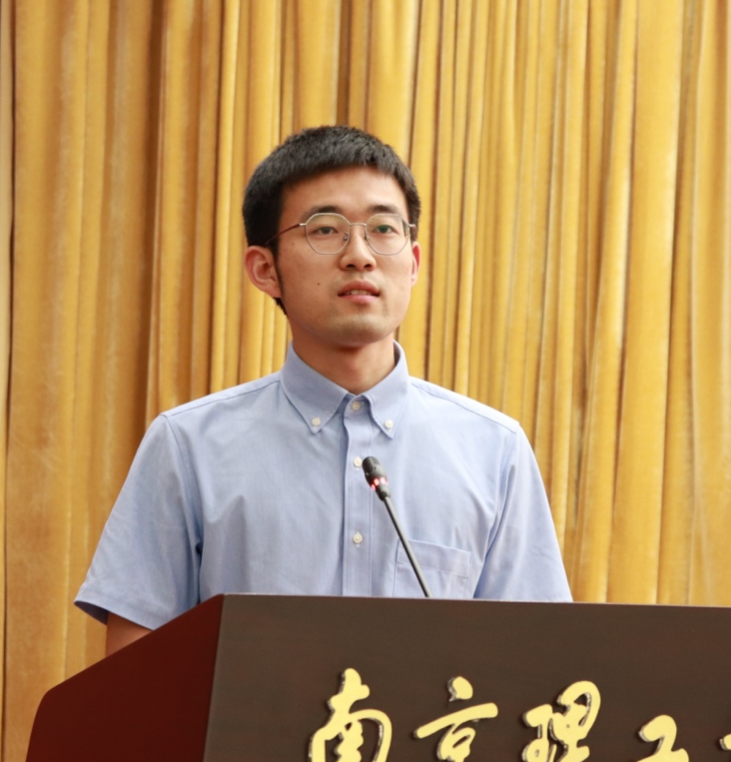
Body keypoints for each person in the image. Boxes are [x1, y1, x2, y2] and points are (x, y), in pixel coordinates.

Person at [76, 126, 571, 655]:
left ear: (413, 263)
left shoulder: (494, 451)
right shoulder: (188, 446)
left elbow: (538, 658)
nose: (360, 255)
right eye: (326, 229)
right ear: (265, 269)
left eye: (383, 229)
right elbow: (132, 669)